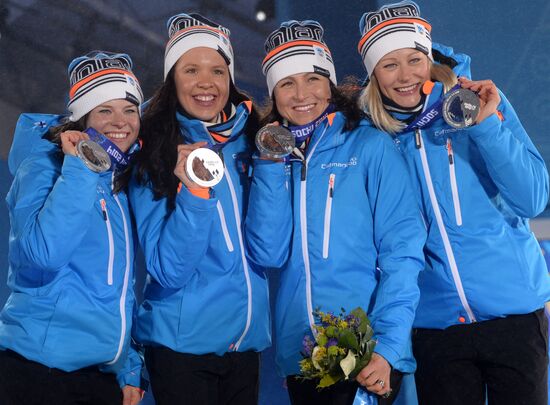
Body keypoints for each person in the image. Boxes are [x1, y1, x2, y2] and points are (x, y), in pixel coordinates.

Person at [356, 2, 550, 404]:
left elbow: (531, 198)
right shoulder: (373, 135)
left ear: (429, 59)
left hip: (512, 314)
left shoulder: (476, 102)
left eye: (414, 59)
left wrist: (485, 127)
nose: (405, 75)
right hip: (435, 325)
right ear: (374, 74)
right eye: (389, 65)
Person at [245, 20, 426, 405]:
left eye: (312, 79)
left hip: (367, 355)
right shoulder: (273, 160)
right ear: (274, 94)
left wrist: (388, 348)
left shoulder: (370, 147)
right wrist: (270, 165)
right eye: (286, 84)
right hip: (304, 356)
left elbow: (402, 252)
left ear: (329, 83)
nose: (301, 95)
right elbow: (268, 252)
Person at [128, 13, 271, 405]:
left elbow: (271, 248)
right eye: (191, 70)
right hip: (182, 349)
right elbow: (168, 268)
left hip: (244, 345)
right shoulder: (153, 149)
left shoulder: (254, 140)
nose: (206, 83)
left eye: (218, 71)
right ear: (173, 79)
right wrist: (193, 190)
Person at [0, 51, 145, 405]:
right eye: (104, 110)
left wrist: (128, 367)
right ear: (82, 119)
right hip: (38, 374)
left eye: (129, 110)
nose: (120, 121)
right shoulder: (43, 166)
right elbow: (44, 253)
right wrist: (81, 166)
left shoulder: (119, 182)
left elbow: (119, 289)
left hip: (97, 377)